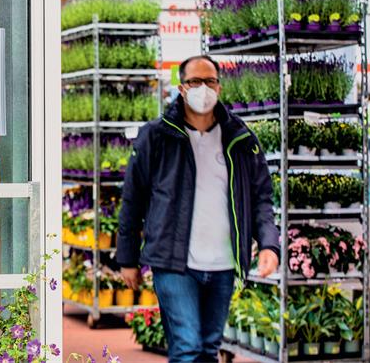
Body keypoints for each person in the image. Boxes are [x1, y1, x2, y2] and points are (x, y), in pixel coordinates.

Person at [116, 55, 280, 363]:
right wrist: (127, 258)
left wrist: (269, 244)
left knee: (207, 349)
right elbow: (133, 198)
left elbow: (261, 197)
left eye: (210, 81)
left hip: (223, 264)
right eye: (195, 81)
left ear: (219, 87)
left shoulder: (240, 138)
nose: (203, 88)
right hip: (174, 263)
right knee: (187, 346)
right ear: (181, 88)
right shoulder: (157, 135)